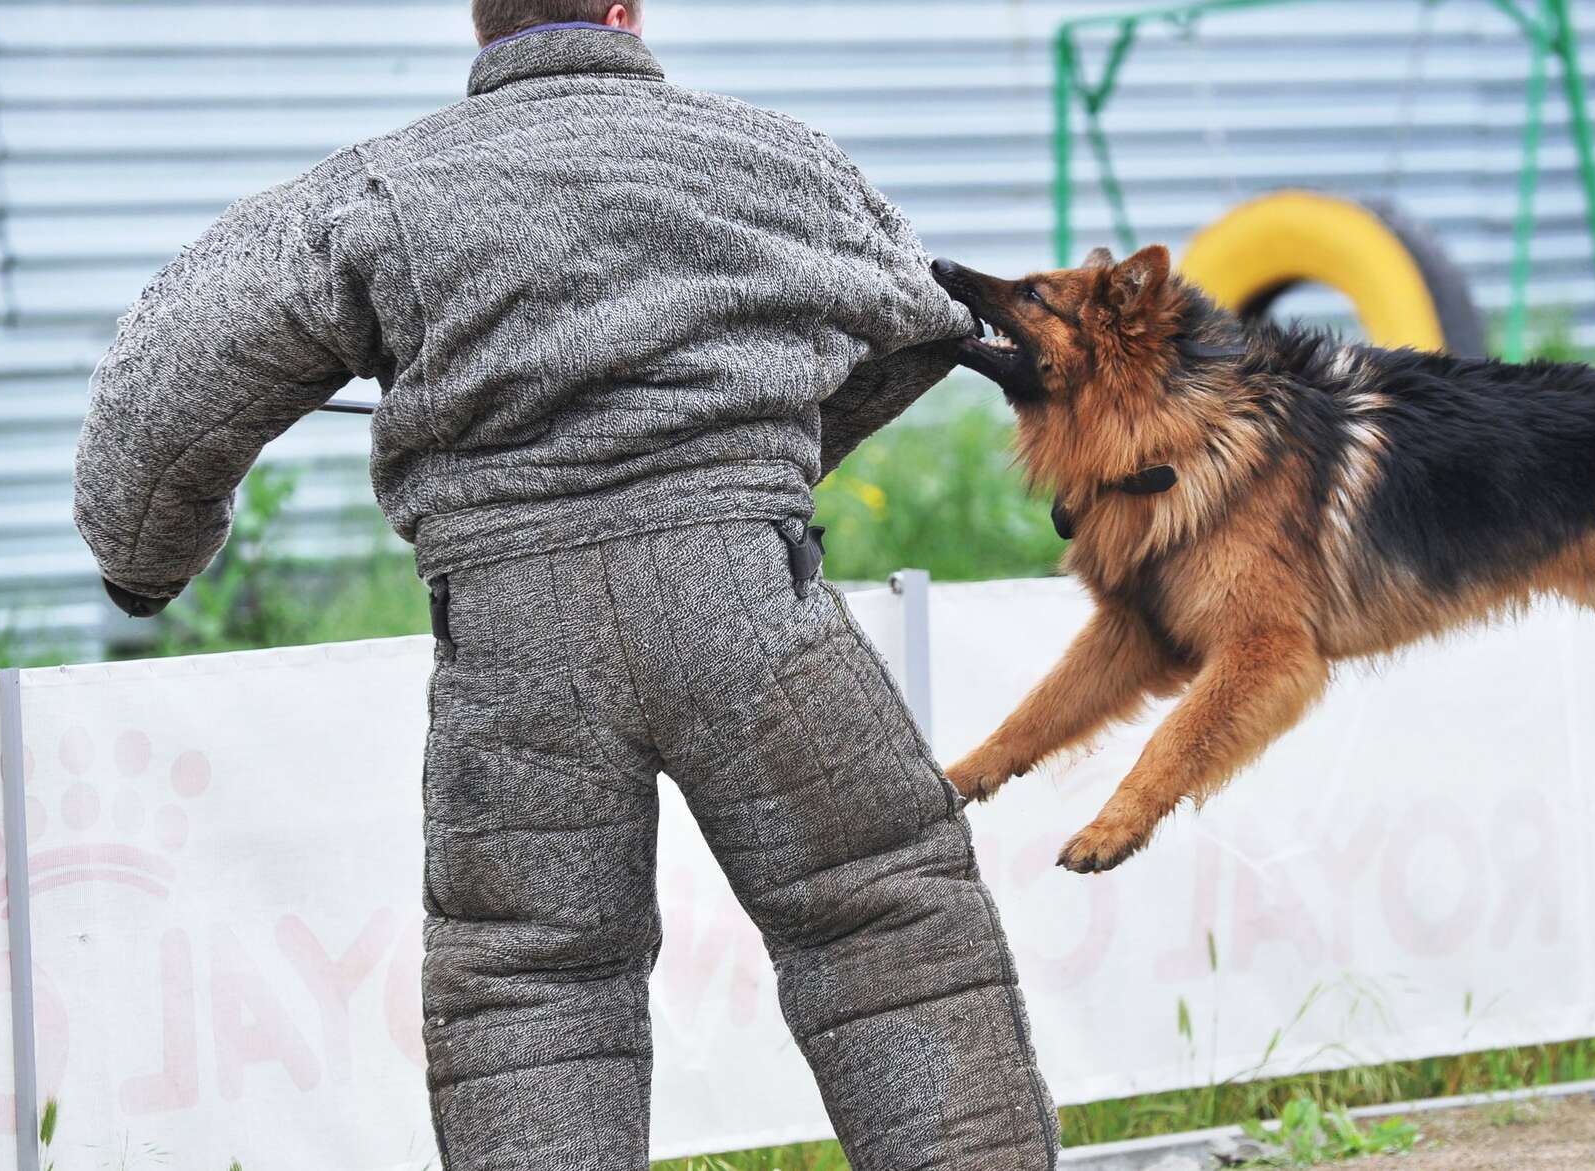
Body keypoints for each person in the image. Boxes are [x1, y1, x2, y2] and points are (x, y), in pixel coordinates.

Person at [70, 2, 1060, 1168]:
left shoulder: (377, 194)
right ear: (624, 12)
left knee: (531, 992)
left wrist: (147, 563)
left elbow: (168, 378)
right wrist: (777, 459)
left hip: (513, 647)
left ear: (480, 20)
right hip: (751, 606)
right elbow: (920, 322)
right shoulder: (776, 159)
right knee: (888, 926)